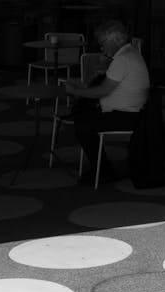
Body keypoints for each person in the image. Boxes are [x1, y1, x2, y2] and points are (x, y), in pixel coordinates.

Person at [64, 19, 150, 185]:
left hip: (127, 116)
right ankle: (102, 168)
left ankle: (103, 170)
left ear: (115, 41)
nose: (101, 48)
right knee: (84, 117)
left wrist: (75, 91)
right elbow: (103, 86)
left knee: (83, 124)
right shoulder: (129, 54)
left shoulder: (122, 59)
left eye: (103, 43)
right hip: (135, 113)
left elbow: (102, 91)